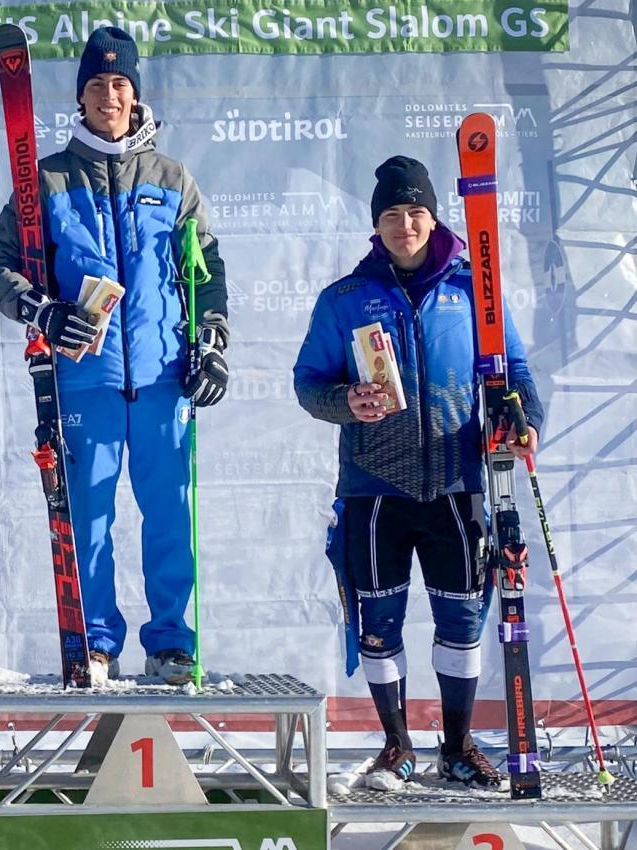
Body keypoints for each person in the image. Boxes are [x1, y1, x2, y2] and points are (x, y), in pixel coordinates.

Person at [0, 27, 229, 686]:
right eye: (96, 85)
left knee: (170, 514)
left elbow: (207, 270)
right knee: (87, 521)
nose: (109, 96)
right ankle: (96, 641)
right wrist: (43, 311)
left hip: (162, 380)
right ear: (80, 98)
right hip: (84, 383)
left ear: (135, 94)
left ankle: (171, 642)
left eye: (120, 84)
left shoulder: (173, 179)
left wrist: (213, 345)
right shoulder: (49, 180)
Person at [293, 156, 544, 790]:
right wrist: (346, 400)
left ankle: (457, 746)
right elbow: (308, 383)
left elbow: (513, 367)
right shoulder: (346, 298)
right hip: (375, 488)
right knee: (379, 625)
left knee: (461, 621)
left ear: (433, 218)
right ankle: (395, 747)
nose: (404, 224)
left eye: (416, 212)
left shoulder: (472, 290)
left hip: (458, 484)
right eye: (391, 215)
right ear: (375, 226)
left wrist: (524, 416)